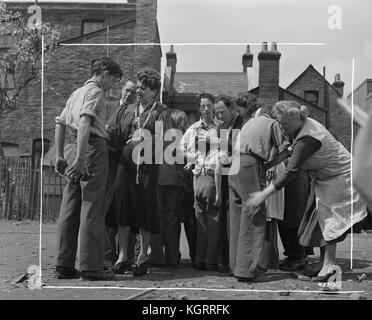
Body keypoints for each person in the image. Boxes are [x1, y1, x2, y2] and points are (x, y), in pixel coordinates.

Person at [246, 100, 368, 281]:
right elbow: (288, 152)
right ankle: (322, 263)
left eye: (284, 123)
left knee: (330, 220)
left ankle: (329, 267)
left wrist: (263, 194)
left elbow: (291, 172)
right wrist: (266, 165)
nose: (281, 126)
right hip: (326, 177)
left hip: (342, 176)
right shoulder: (297, 129)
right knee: (318, 220)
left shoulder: (308, 138)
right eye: (278, 122)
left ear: (297, 118)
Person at [54, 57, 123, 281]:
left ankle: (64, 265)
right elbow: (85, 122)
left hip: (76, 146)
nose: (113, 84)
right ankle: (91, 267)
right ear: (103, 72)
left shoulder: (76, 93)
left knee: (70, 206)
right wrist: (83, 158)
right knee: (92, 206)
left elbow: (60, 122)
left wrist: (59, 155)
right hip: (92, 149)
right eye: (113, 78)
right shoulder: (96, 92)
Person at [106, 68, 171, 277]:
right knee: (123, 207)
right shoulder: (127, 109)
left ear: (154, 91)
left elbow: (165, 141)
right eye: (138, 87)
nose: (139, 91)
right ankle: (123, 255)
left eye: (143, 88)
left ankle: (143, 255)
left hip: (146, 166)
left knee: (144, 209)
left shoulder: (161, 112)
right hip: (125, 165)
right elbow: (113, 132)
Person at [228, 92, 283, 282]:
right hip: (250, 164)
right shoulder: (272, 123)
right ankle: (247, 270)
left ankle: (236, 266)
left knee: (238, 216)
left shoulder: (249, 123)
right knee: (255, 213)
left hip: (234, 166)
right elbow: (283, 147)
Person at [180, 92, 223, 271]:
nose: (206, 109)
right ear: (199, 108)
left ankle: (211, 260)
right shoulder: (192, 129)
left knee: (213, 219)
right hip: (197, 177)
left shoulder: (220, 128)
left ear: (213, 107)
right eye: (203, 106)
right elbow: (181, 149)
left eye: (209, 105)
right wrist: (191, 160)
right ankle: (199, 259)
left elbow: (226, 155)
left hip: (214, 176)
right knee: (200, 220)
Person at [104, 79, 137, 270]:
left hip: (127, 164)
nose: (128, 94)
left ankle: (127, 256)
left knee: (126, 207)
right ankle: (108, 255)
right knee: (108, 207)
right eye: (126, 90)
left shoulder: (136, 113)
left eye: (132, 92)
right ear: (121, 90)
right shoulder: (108, 107)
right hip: (108, 164)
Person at [214, 94, 244, 273]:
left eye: (222, 112)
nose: (219, 116)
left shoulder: (243, 124)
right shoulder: (222, 127)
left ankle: (237, 261)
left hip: (239, 176)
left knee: (236, 219)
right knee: (225, 219)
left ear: (232, 109)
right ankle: (225, 259)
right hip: (225, 177)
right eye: (217, 113)